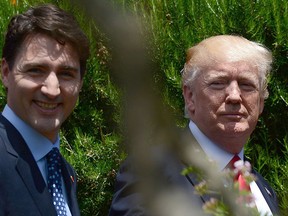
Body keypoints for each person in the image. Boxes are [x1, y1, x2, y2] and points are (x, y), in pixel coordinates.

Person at [109, 35, 279, 215]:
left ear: (260, 102)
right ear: (190, 96)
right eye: (218, 83)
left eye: (246, 85)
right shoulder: (151, 173)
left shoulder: (262, 188)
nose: (235, 96)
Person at [0, 4, 89, 216]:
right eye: (36, 70)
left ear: (80, 82)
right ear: (5, 72)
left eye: (66, 74)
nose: (52, 89)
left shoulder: (63, 172)